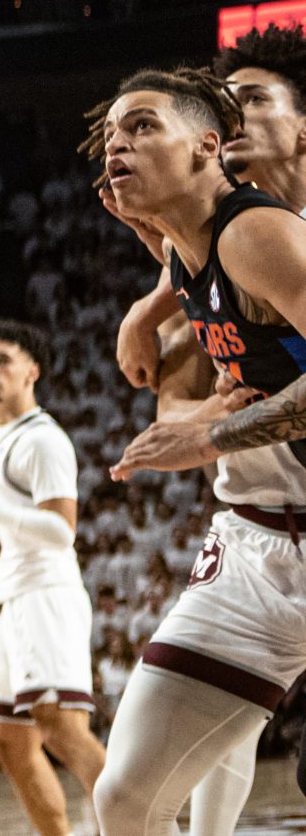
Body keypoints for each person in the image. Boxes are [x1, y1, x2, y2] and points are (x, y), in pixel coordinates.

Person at [97, 58, 306, 836]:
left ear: (207, 146)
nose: (116, 145)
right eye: (112, 134)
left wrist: (210, 434)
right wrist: (141, 314)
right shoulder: (182, 250)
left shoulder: (255, 233)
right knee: (124, 798)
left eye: (142, 126)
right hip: (254, 545)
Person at [0, 320, 102, 833]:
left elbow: (59, 531)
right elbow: (21, 522)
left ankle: (148, 826)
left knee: (61, 728)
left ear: (32, 371)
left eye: (3, 359)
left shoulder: (43, 440)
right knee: (11, 744)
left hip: (45, 597)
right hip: (16, 597)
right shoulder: (1, 439)